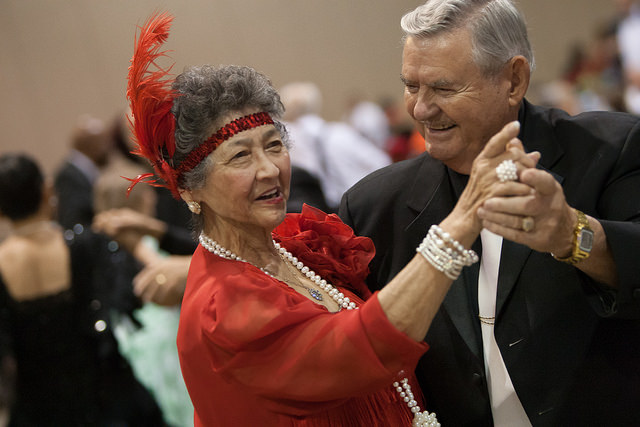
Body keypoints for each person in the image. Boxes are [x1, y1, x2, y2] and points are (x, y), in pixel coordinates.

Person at [126, 13, 538, 426]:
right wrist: (462, 220)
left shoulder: (294, 245)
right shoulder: (221, 310)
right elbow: (356, 348)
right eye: (240, 156)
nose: (269, 169)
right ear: (190, 190)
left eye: (274, 145)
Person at [339, 1, 640, 426]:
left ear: (513, 80)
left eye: (443, 89)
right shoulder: (373, 206)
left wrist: (574, 235)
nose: (421, 109)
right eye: (411, 86)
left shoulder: (610, 151)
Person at [0, 153, 164, 425]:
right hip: (103, 399)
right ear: (47, 191)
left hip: (38, 409)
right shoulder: (85, 245)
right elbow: (131, 293)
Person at [54, 114, 112, 230]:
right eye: (105, 141)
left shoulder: (84, 170)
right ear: (91, 144)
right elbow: (75, 220)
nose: (109, 147)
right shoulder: (68, 176)